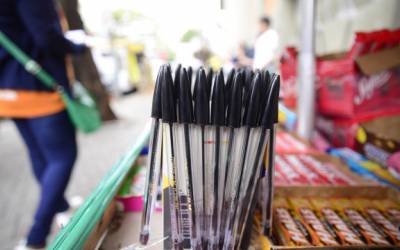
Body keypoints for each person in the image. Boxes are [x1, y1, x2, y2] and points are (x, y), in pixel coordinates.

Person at [0, 0, 86, 249]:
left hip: (8, 89)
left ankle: (60, 207)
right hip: (39, 87)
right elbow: (46, 37)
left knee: (40, 154)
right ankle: (35, 237)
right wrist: (77, 45)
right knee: (63, 157)